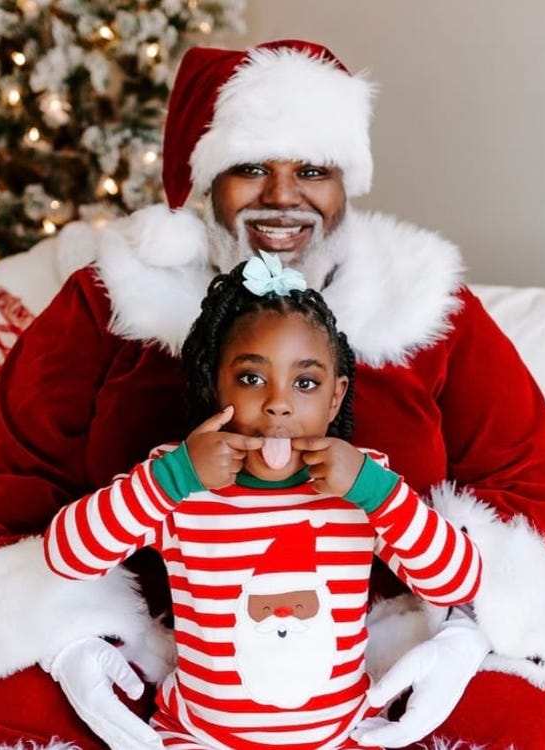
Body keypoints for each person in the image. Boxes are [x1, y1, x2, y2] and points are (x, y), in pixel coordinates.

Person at [0, 39, 545, 750]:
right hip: (151, 652)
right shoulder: (108, 302)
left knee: (512, 708)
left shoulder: (423, 306)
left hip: (372, 652)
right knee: (2, 701)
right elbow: (14, 477)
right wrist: (70, 639)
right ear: (205, 180)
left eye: (310, 170)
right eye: (249, 169)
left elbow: (522, 473)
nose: (282, 196)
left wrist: (459, 633)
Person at [41, 252, 490, 750]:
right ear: (215, 386)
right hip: (197, 739)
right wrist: (172, 477)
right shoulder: (178, 481)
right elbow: (67, 557)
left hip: (339, 738)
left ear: (336, 397)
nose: (278, 402)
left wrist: (376, 492)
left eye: (305, 383)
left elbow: (456, 580)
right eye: (252, 378)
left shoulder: (364, 485)